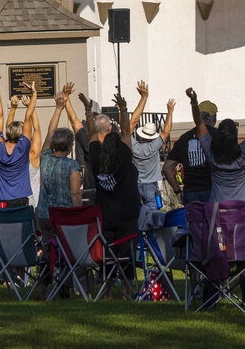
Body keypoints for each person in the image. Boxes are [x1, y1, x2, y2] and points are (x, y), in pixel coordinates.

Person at [87, 94, 139, 294]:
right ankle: (127, 290)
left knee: (107, 253)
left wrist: (88, 111)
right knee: (127, 253)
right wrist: (123, 109)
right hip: (127, 215)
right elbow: (126, 132)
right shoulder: (125, 157)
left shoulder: (95, 158)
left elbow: (92, 135)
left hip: (106, 215)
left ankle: (106, 291)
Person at [190, 87, 245, 203]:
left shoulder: (211, 152)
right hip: (244, 211)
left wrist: (194, 102)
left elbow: (199, 123)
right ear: (235, 135)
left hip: (218, 211)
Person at [38, 82, 83, 224]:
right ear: (70, 147)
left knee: (47, 245)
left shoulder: (45, 157)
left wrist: (58, 108)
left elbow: (50, 131)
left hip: (45, 214)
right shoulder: (72, 165)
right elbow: (75, 193)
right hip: (65, 216)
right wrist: (79, 215)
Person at [128, 81, 173, 209]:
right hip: (151, 185)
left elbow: (130, 125)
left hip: (136, 184)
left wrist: (143, 98)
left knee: (139, 213)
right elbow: (167, 131)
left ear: (141, 134)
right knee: (154, 212)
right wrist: (170, 112)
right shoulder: (154, 146)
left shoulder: (133, 145)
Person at [163, 99, 218, 204]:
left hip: (191, 193)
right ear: (214, 118)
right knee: (212, 220)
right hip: (213, 191)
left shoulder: (184, 138)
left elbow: (167, 168)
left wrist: (178, 191)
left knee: (193, 221)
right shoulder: (218, 135)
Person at [0, 77, 36, 205]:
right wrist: (34, 94)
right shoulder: (23, 147)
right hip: (24, 199)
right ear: (22, 135)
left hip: (3, 200)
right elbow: (28, 116)